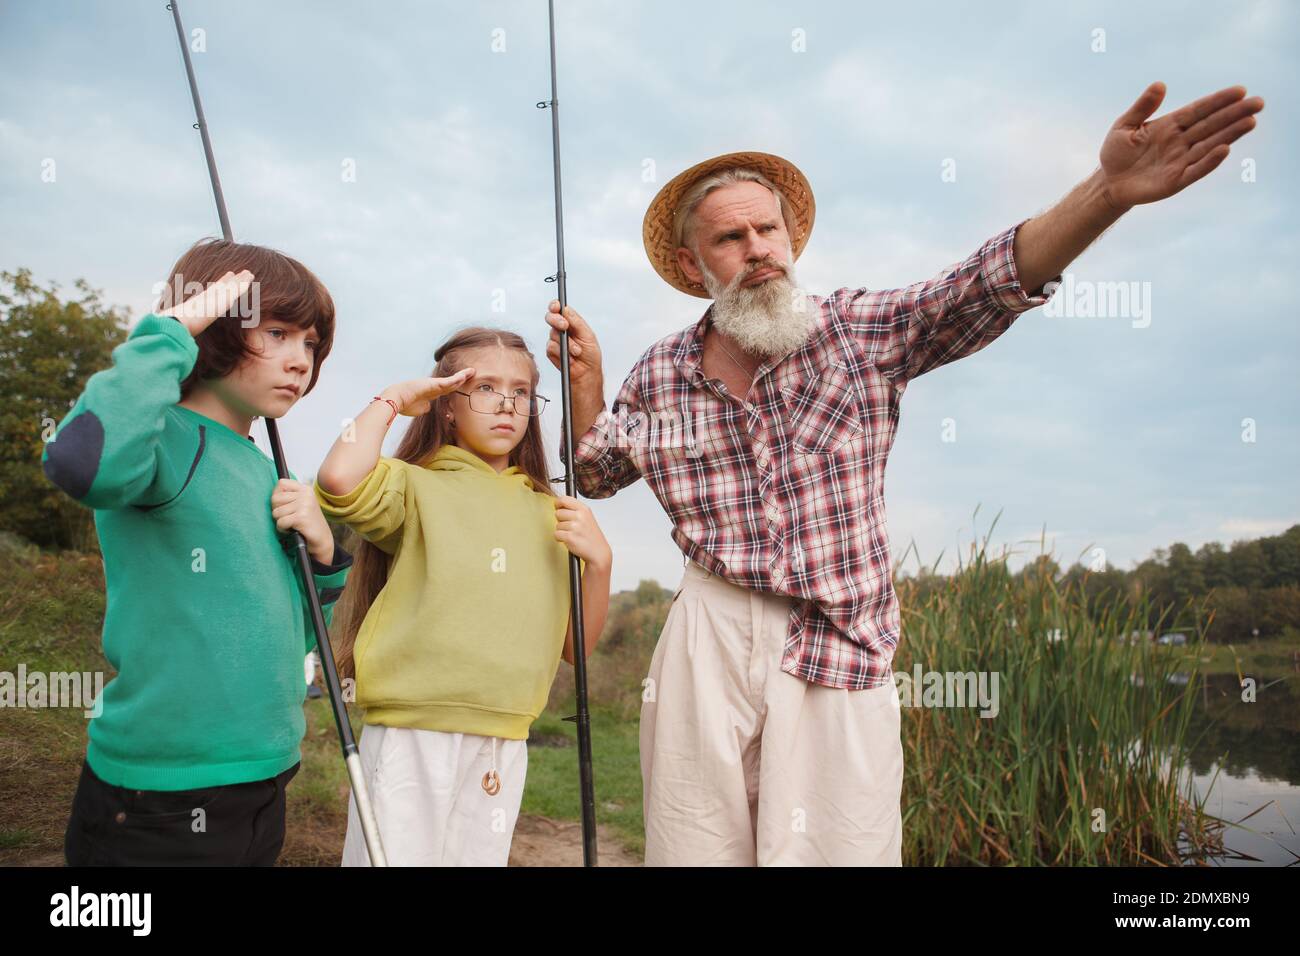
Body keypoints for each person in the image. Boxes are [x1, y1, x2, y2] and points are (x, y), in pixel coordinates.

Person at [545, 82, 1265, 865]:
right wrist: (589, 384)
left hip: (836, 638)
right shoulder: (660, 374)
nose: (757, 248)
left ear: (790, 239)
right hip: (705, 636)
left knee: (840, 850)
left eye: (768, 230)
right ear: (693, 264)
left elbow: (981, 286)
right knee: (692, 848)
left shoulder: (858, 332)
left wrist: (1108, 193)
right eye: (730, 239)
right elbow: (598, 470)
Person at [43, 239, 352, 865]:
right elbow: (80, 463)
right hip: (161, 793)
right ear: (212, 325)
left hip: (264, 773)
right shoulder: (163, 440)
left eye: (311, 343)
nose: (300, 361)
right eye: (277, 332)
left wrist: (323, 555)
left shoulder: (266, 472)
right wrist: (170, 330)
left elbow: (295, 632)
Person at [314, 325, 612, 866]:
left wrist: (600, 565)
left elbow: (576, 650)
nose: (505, 403)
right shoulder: (413, 484)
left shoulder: (552, 511)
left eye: (521, 392)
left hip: (503, 738)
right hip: (411, 732)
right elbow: (337, 478)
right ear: (447, 405)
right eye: (483, 387)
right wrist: (397, 399)